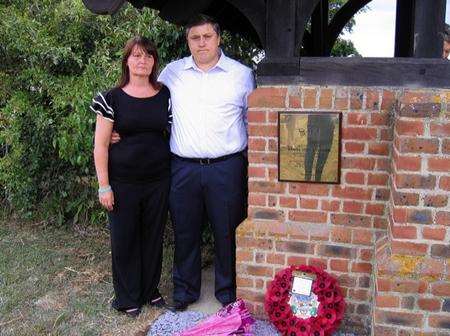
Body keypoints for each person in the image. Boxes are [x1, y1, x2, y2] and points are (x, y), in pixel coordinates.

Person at [159, 15, 255, 310]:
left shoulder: (241, 74)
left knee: (227, 230)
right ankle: (185, 291)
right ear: (187, 40)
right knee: (185, 230)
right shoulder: (172, 73)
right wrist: (118, 130)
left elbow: (252, 121)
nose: (201, 43)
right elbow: (147, 104)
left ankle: (227, 292)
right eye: (195, 37)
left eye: (207, 36)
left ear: (218, 38)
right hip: (183, 167)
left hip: (226, 167)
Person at [91, 36, 171, 317]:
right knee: (124, 239)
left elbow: (170, 132)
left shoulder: (165, 95)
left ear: (154, 61)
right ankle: (127, 298)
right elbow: (100, 145)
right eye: (136, 55)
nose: (142, 61)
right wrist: (104, 187)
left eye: (148, 56)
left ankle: (150, 290)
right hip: (123, 182)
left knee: (153, 237)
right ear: (127, 60)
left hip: (159, 180)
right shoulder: (110, 98)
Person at [304, 114, 335, 182]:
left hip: (314, 116)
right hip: (326, 118)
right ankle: (317, 179)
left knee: (311, 147)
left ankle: (308, 178)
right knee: (324, 148)